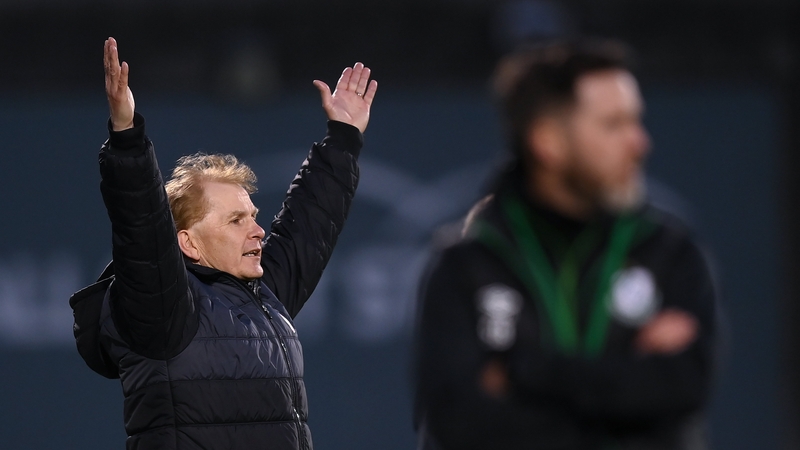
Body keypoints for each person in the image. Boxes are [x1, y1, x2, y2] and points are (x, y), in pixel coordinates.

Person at [71, 37, 377, 450]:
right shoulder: (164, 311)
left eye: (252, 216)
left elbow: (309, 225)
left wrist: (343, 137)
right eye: (235, 220)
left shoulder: (263, 295)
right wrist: (127, 140)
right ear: (188, 244)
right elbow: (142, 231)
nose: (257, 230)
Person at [412, 39, 719, 450]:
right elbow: (461, 425)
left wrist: (523, 370)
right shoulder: (467, 265)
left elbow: (682, 392)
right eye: (614, 125)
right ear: (548, 142)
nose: (639, 143)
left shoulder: (668, 253)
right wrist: (625, 388)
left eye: (636, 121)